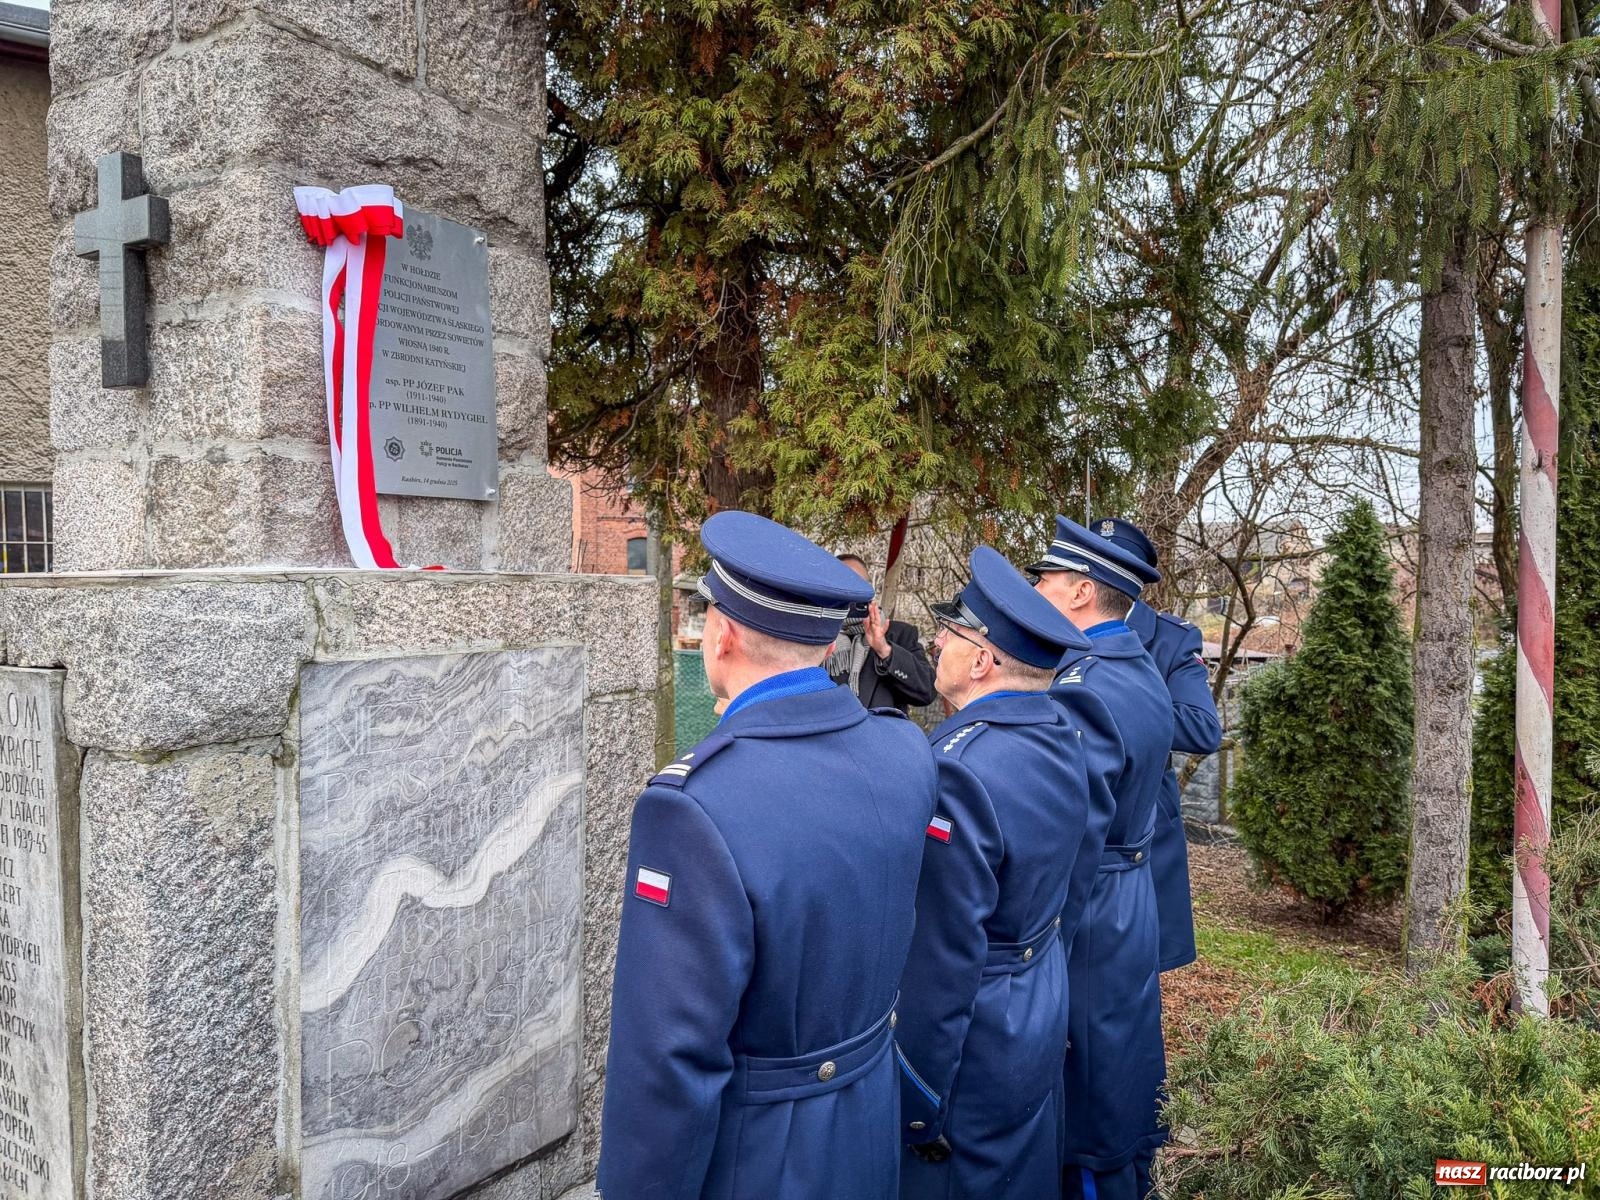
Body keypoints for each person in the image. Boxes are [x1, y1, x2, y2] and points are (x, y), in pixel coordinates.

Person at [598, 511, 939, 1200]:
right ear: (820, 643)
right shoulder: (904, 752)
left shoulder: (693, 807)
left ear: (719, 636)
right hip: (869, 1125)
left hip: (764, 1160)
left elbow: (668, 1062)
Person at [896, 547, 1096, 1200]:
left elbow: (942, 956)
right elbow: (1079, 875)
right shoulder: (1059, 736)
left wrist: (916, 1097)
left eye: (951, 631)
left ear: (981, 659)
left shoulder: (959, 770)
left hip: (974, 1046)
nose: (936, 641)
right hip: (1038, 1007)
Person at [1029, 516, 1175, 1200]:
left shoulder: (1082, 684)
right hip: (1130, 898)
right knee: (1118, 1057)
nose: (1037, 589)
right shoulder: (1133, 666)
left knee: (1088, 1083)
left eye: (1047, 579)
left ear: (1082, 593)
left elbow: (1069, 833)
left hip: (1092, 911)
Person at [1091, 516, 1224, 972]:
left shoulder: (1170, 638)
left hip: (1141, 817)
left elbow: (1203, 729)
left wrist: (1122, 696)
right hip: (1074, 805)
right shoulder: (1059, 630)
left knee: (1131, 969)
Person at [826, 554, 937, 713]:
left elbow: (926, 691)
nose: (852, 591)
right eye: (844, 582)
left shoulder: (899, 634)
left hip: (881, 735)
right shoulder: (817, 635)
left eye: (859, 583)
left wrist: (885, 650)